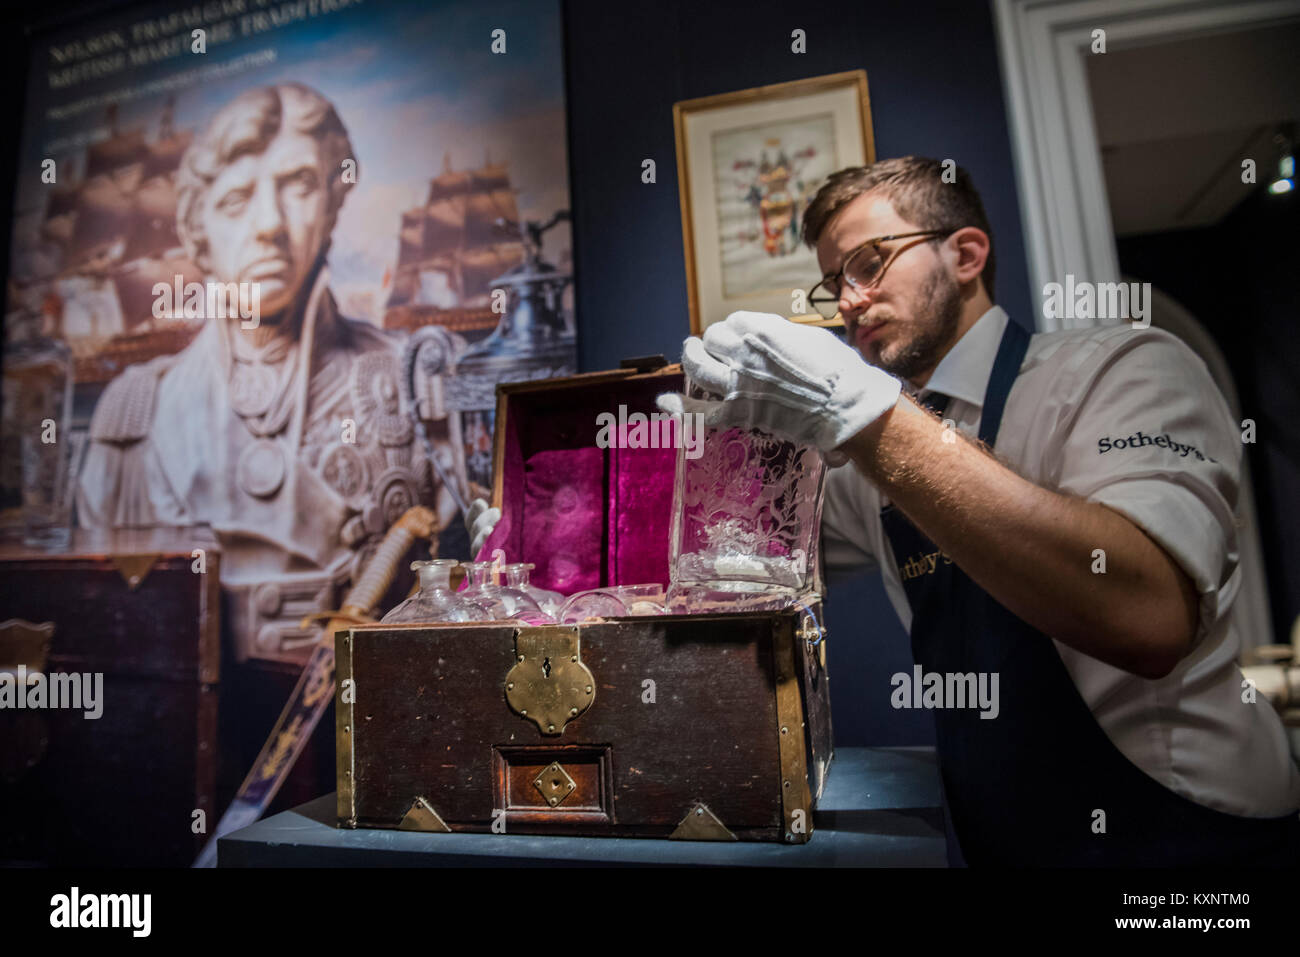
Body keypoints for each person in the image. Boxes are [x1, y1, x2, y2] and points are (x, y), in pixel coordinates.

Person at [653, 156, 1300, 866]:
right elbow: (757, 569)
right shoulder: (868, 451)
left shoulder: (1124, 369)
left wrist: (862, 415)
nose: (849, 302)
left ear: (965, 253)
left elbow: (1148, 616)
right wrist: (714, 467)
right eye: (837, 280)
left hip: (1192, 839)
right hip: (1008, 841)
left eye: (870, 263)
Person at [77, 83, 461, 664]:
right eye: (236, 200)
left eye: (299, 186)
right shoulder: (133, 413)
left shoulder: (418, 380)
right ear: (196, 232)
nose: (269, 225)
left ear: (333, 203)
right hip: (190, 731)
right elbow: (99, 623)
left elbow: (471, 598)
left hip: (360, 724)